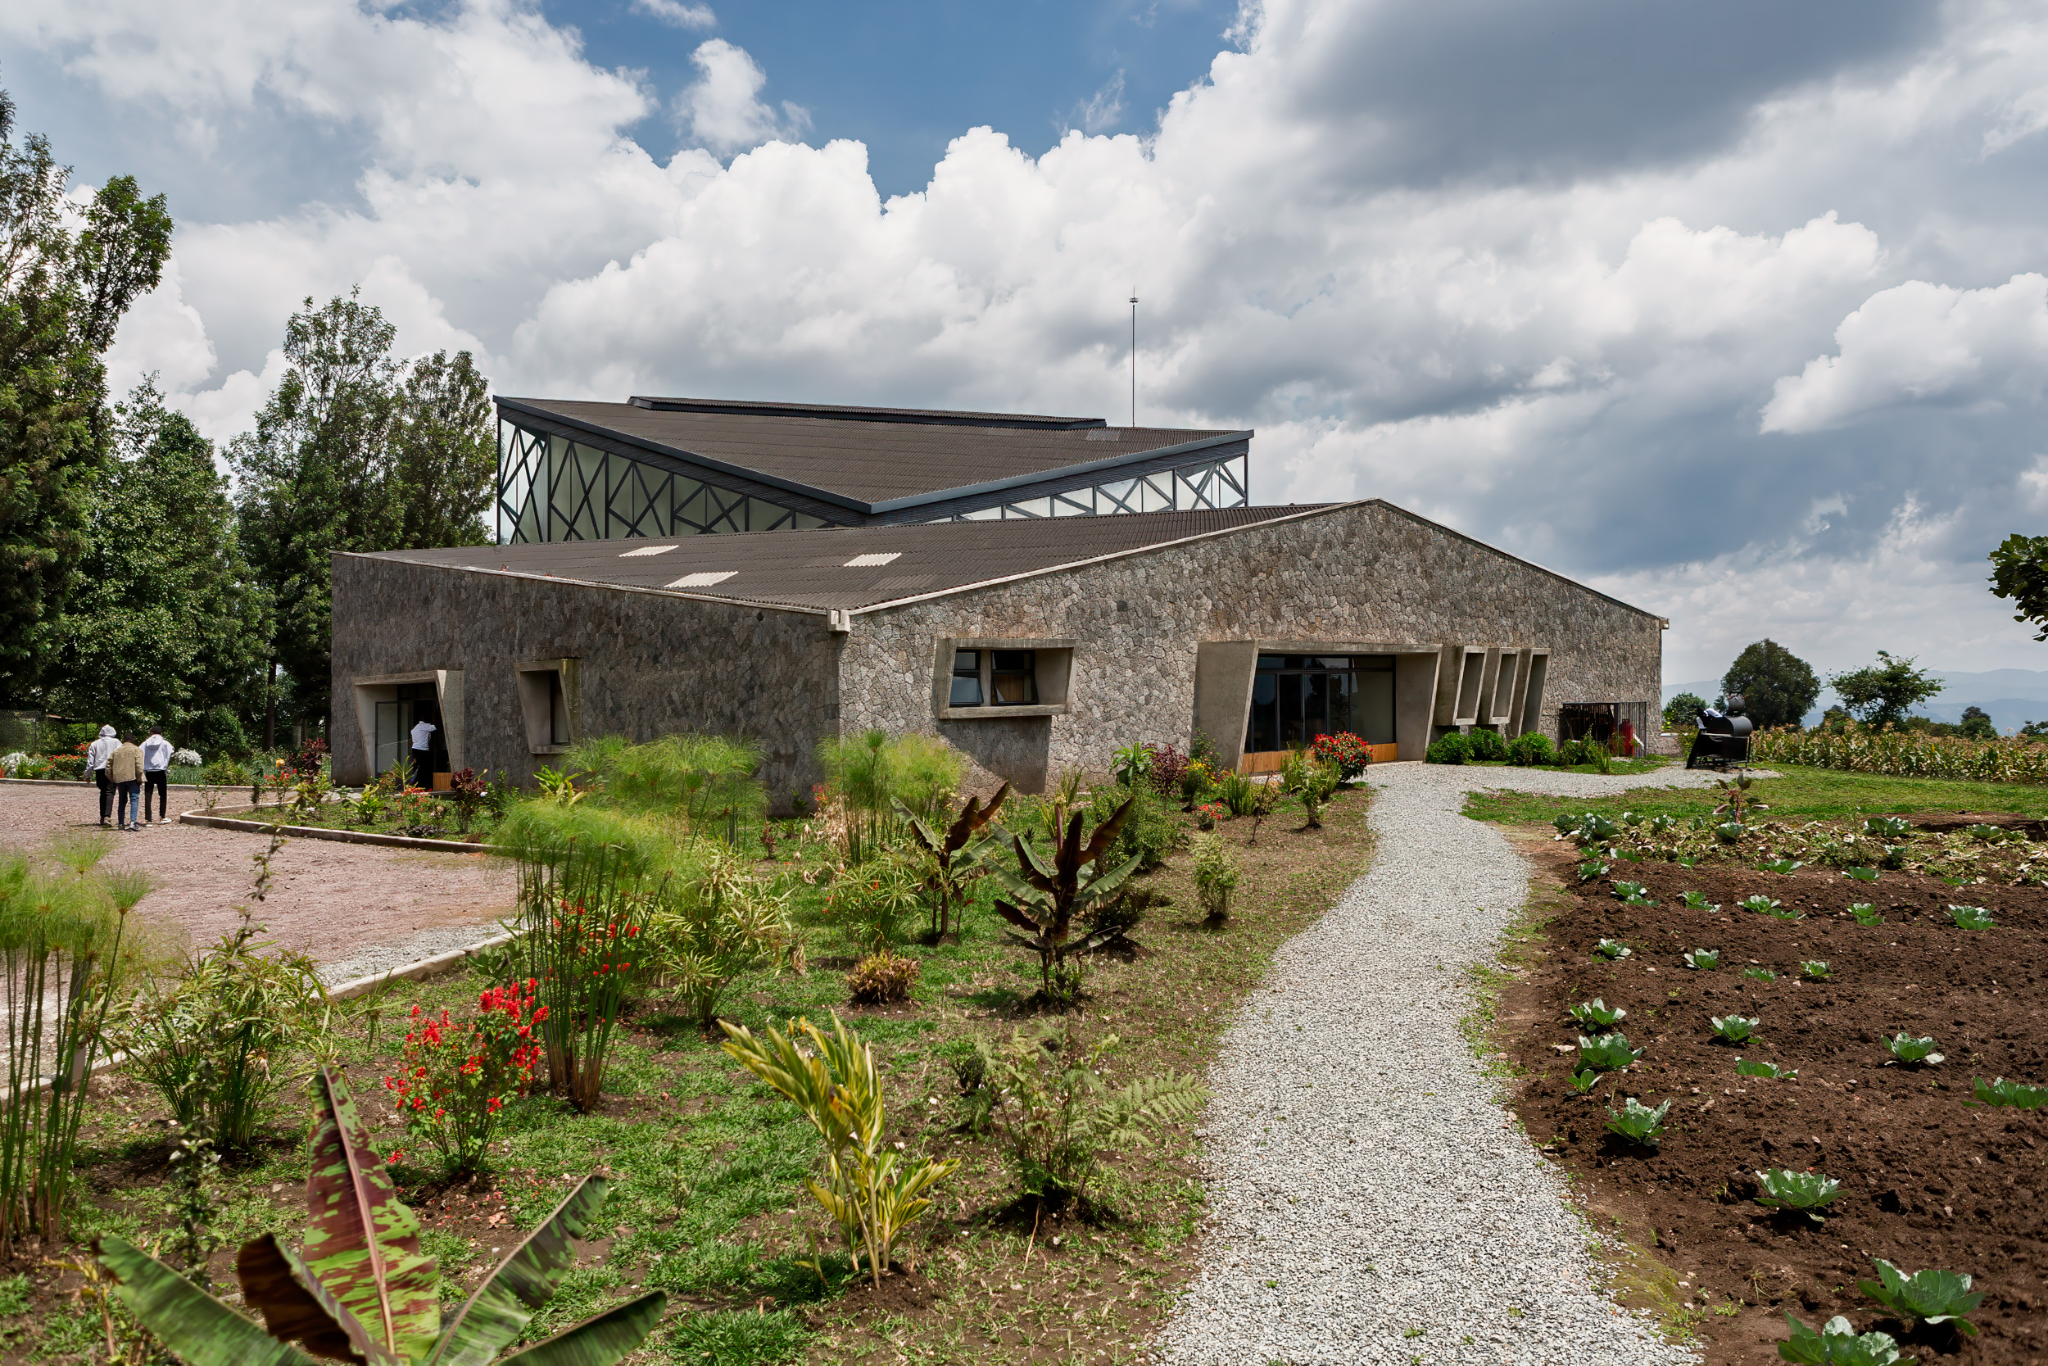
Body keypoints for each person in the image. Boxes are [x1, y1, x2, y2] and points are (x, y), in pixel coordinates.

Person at [107, 732, 144, 831]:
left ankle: (120, 823)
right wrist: (139, 778)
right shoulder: (137, 750)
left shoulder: (116, 751)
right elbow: (139, 766)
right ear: (132, 740)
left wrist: (112, 778)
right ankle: (133, 822)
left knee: (122, 800)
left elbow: (108, 766)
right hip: (132, 778)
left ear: (123, 740)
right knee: (134, 799)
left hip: (120, 778)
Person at [85, 724, 118, 826]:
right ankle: (107, 815)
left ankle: (102, 816)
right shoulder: (116, 742)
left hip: (99, 770)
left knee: (103, 791)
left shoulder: (95, 744)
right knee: (110, 792)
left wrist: (87, 774)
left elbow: (90, 760)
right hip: (111, 769)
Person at [141, 726, 173, 824]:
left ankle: (148, 819)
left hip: (149, 771)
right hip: (160, 770)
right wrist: (165, 766)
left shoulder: (145, 743)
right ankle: (162, 816)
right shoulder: (165, 743)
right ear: (160, 733)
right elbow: (169, 753)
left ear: (151, 733)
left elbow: (140, 752)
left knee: (148, 794)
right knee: (163, 794)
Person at [409, 716, 437, 789]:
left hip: (415, 748)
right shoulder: (424, 726)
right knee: (423, 768)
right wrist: (434, 718)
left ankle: (415, 782)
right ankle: (418, 783)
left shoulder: (414, 728)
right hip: (422, 749)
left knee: (418, 766)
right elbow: (435, 727)